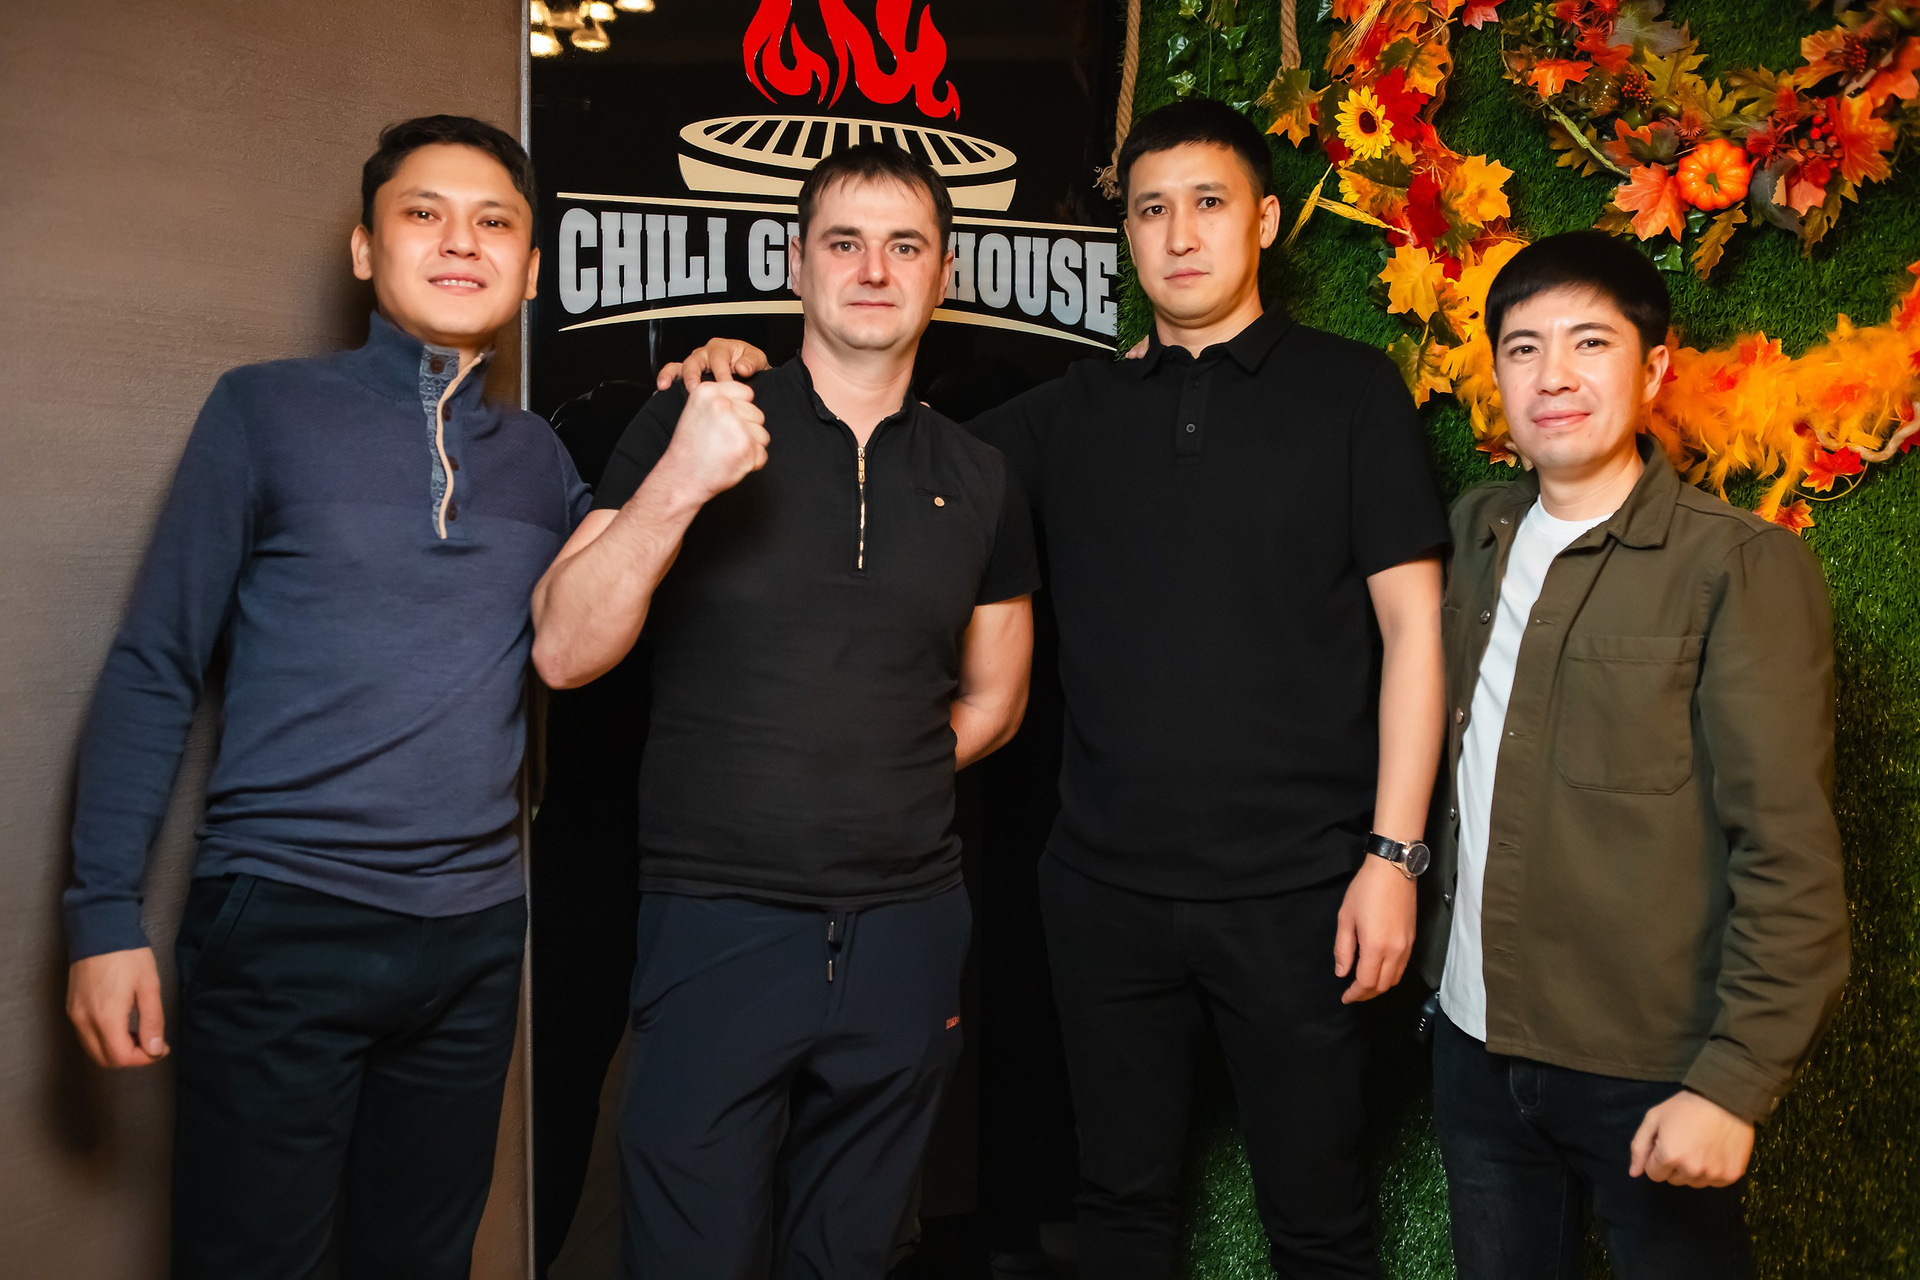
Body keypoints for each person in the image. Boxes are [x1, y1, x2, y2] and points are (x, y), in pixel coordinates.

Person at [667, 98, 1450, 1279]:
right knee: (1118, 1208)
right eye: (1151, 210)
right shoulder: (1057, 420)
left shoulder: (1351, 393)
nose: (1179, 234)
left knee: (1320, 1221)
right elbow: (878, 426)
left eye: (1209, 203)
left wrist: (1393, 857)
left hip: (1303, 890)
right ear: (1126, 233)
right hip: (1103, 891)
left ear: (1264, 222)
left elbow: (1415, 633)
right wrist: (739, 368)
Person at [62, 116, 586, 1280]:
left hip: (473, 936)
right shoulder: (264, 410)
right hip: (285, 920)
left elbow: (623, 586)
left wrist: (710, 380)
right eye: (424, 214)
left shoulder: (544, 462)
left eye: (495, 222)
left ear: (530, 268)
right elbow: (156, 660)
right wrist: (102, 915)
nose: (462, 241)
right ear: (364, 248)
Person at [527, 142, 1039, 1280]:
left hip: (907, 930)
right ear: (796, 265)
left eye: (904, 245)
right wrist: (682, 479)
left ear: (943, 273)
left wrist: (870, 773)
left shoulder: (980, 475)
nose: (874, 269)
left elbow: (997, 699)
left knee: (853, 1254)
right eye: (844, 243)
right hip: (718, 920)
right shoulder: (695, 418)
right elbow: (561, 647)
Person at [1420, 230, 1850, 1278]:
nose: (1552, 376)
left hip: (1649, 1070)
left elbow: (1788, 853)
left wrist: (1731, 1085)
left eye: (1589, 343)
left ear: (1655, 369)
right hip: (1474, 1049)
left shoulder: (1737, 565)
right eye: (1523, 348)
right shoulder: (1474, 534)